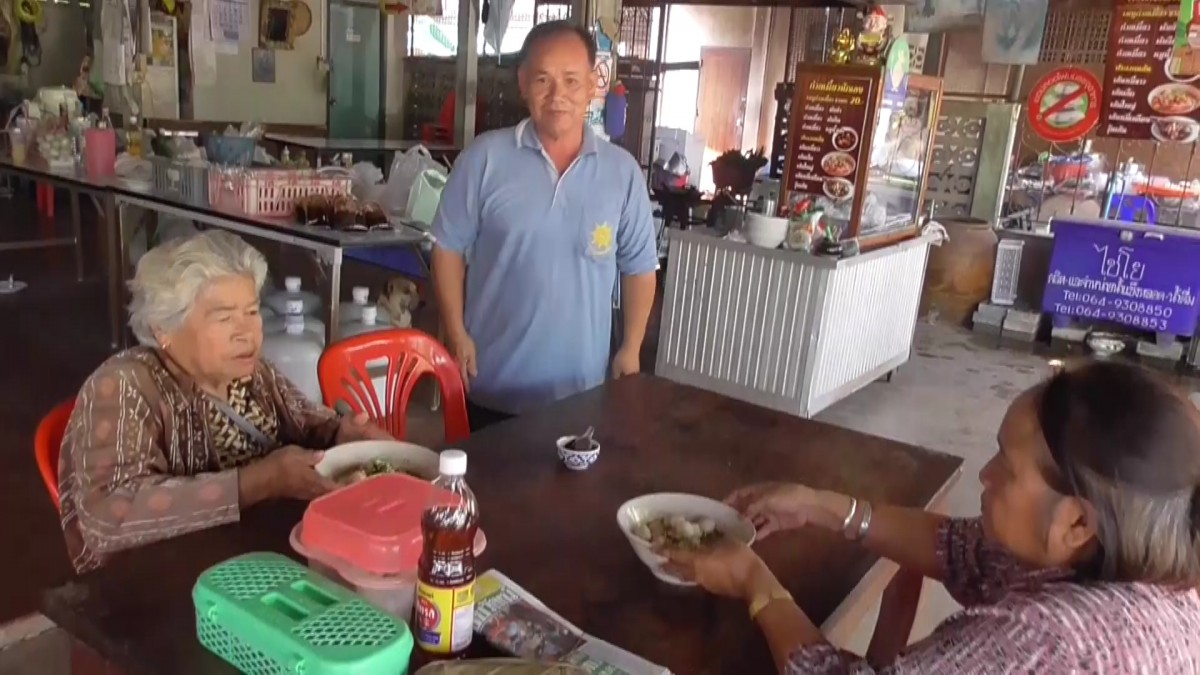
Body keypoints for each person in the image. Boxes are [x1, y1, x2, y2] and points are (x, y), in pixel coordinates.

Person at [664, 361, 1200, 673]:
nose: (985, 476)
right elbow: (959, 548)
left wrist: (755, 582)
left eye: (1007, 470)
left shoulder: (1046, 643)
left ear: (1078, 523)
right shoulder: (1143, 564)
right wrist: (821, 505)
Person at [59, 231, 391, 573]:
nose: (246, 332)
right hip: (162, 584)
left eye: (251, 311)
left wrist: (343, 436)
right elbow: (107, 516)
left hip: (260, 558)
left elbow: (310, 423)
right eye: (224, 317)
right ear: (163, 329)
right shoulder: (124, 386)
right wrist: (257, 482)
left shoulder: (253, 373)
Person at [431, 20, 658, 431]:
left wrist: (631, 346)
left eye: (572, 80)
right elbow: (446, 246)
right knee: (486, 495)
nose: (558, 96)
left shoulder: (621, 173)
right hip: (491, 389)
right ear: (522, 83)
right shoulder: (484, 159)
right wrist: (455, 329)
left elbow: (639, 266)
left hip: (582, 396)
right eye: (543, 80)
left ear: (593, 83)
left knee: (575, 497)